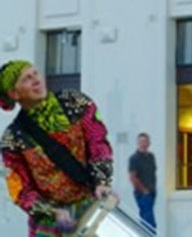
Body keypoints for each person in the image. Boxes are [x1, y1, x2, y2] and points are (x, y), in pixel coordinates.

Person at [0, 60, 114, 236]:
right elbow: (20, 190)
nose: (36, 79)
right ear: (14, 93)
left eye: (35, 73)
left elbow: (97, 141)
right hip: (50, 223)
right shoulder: (12, 139)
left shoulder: (76, 103)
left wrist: (102, 181)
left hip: (89, 206)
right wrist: (51, 211)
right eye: (26, 79)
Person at [129, 132, 157, 231]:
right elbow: (132, 177)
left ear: (149, 143)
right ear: (138, 143)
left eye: (145, 141)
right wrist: (144, 190)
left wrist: (152, 189)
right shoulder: (134, 158)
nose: (143, 144)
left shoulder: (151, 157)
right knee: (149, 221)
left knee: (144, 218)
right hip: (142, 193)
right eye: (141, 141)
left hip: (152, 191)